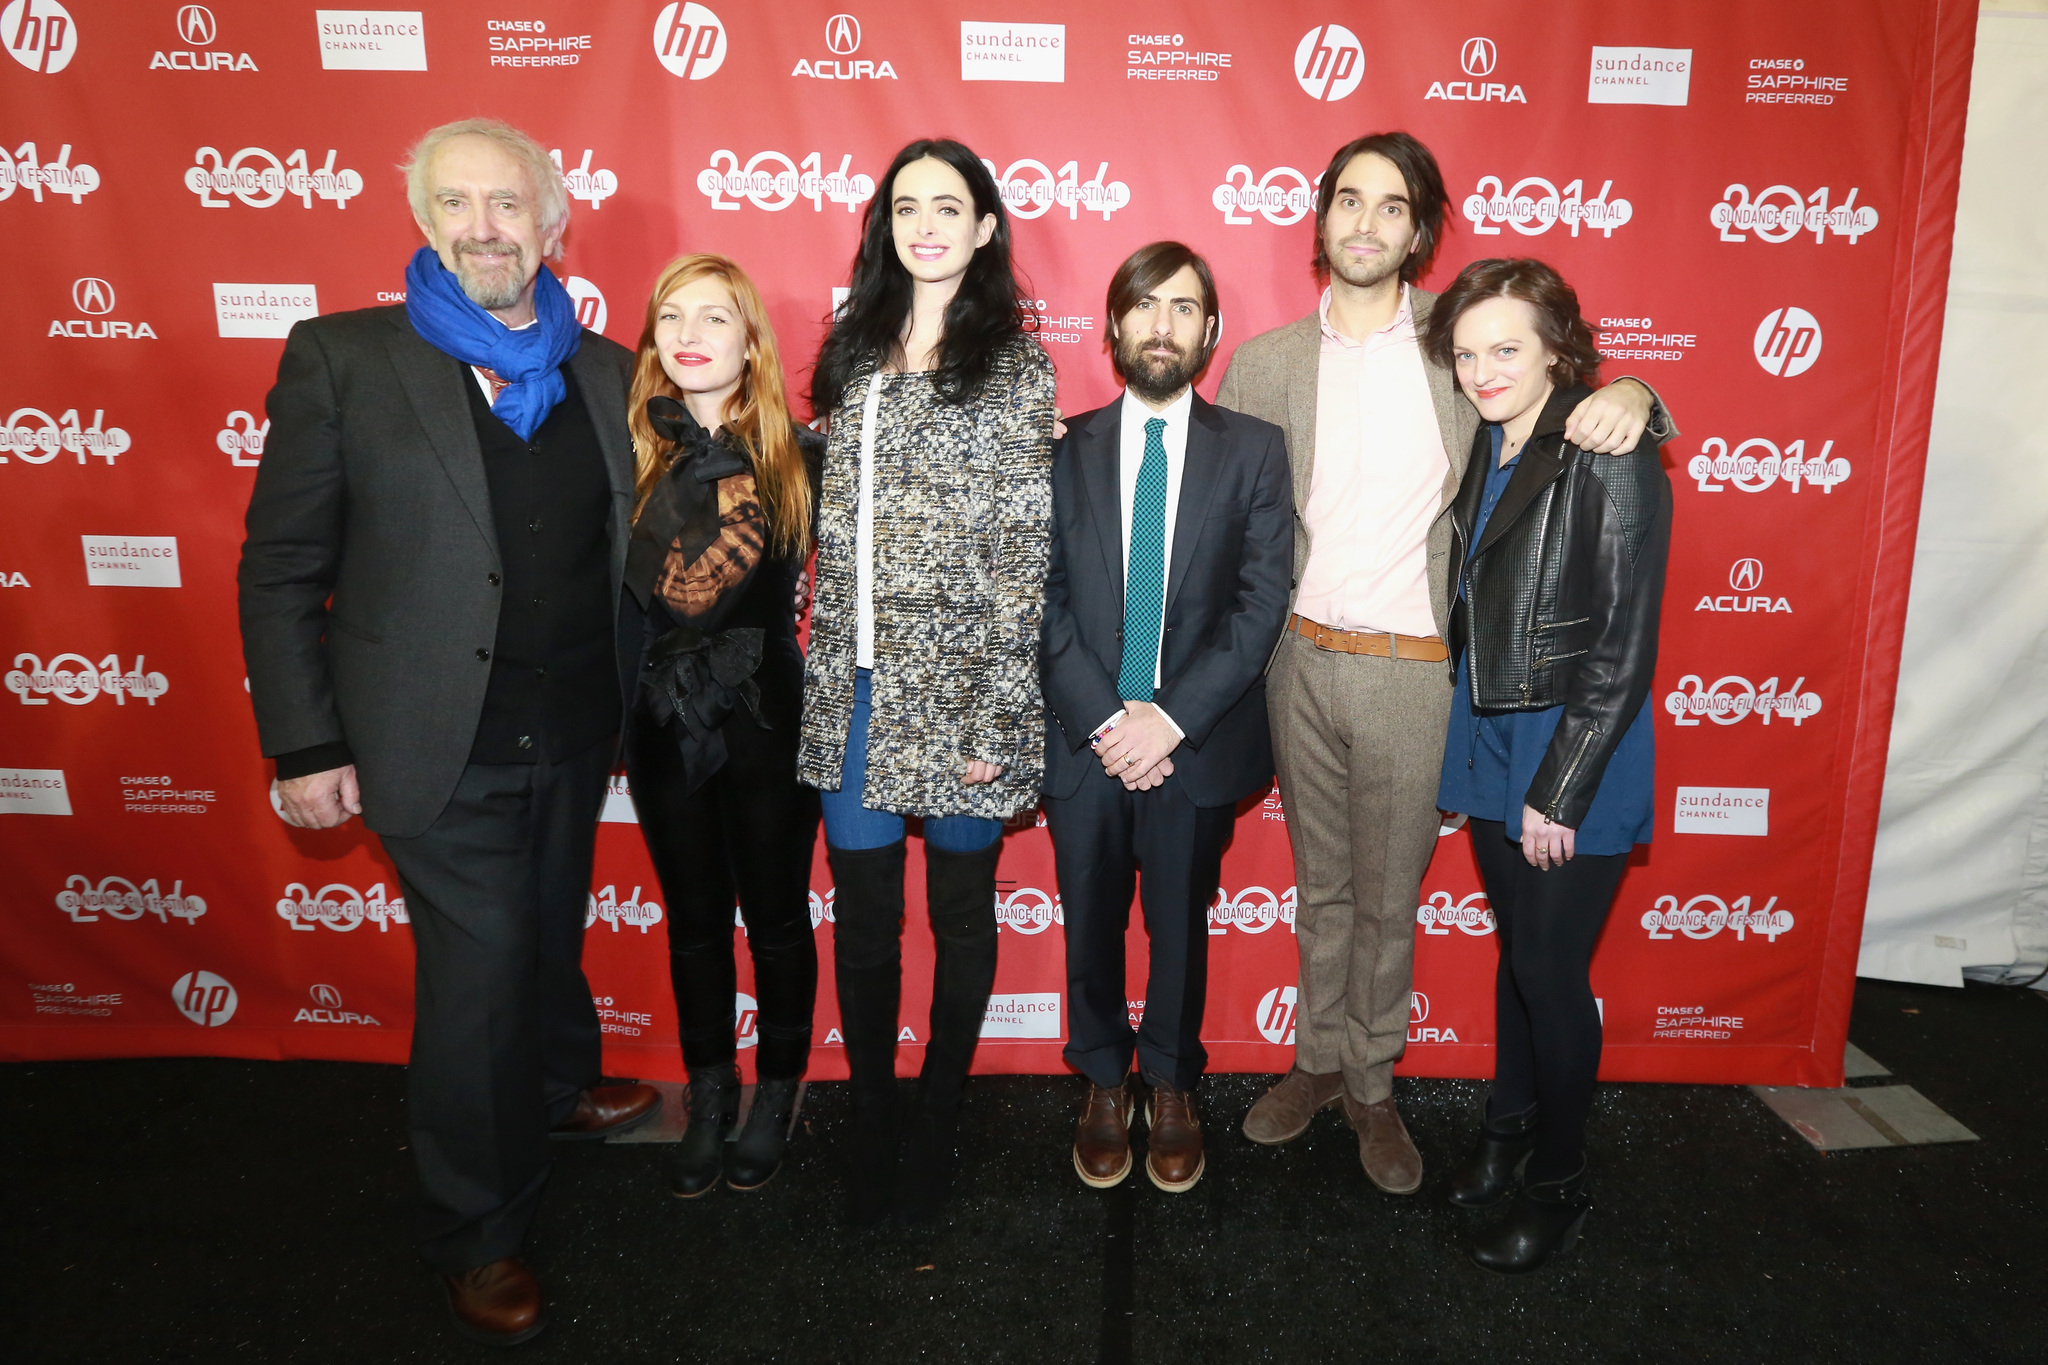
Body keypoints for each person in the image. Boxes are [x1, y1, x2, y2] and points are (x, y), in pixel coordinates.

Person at [237, 118, 659, 1346]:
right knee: (475, 976)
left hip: (575, 729)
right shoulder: (344, 360)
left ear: (552, 224)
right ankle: (478, 1228)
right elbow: (280, 570)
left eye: (508, 205)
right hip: (428, 739)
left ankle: (556, 1087)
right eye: (458, 205)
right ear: (426, 224)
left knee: (542, 924)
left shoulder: (603, 369)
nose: (486, 227)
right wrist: (307, 746)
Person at [1215, 131, 1674, 1196]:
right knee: (1319, 889)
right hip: (1298, 658)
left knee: (1387, 895)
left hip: (1420, 670)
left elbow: (1569, 398)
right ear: (1320, 218)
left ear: (1419, 230)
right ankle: (1315, 1063)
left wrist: (1642, 391)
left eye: (1390, 206)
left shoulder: (1458, 347)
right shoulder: (1263, 363)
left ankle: (1373, 1087)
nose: (1364, 223)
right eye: (1346, 201)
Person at [801, 138, 1056, 1227]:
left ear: (986, 227)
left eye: (949, 207)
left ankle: (940, 1111)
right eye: (907, 206)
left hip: (961, 692)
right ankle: (869, 1114)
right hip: (851, 683)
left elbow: (1024, 551)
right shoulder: (849, 350)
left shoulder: (1015, 363)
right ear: (884, 224)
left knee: (958, 910)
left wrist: (997, 705)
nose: (926, 225)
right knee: (862, 919)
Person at [1426, 258, 1670, 1272]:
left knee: (1547, 971)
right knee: (1517, 961)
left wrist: (1557, 787)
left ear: (1556, 350)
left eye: (1505, 350)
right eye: (1466, 353)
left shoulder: (1603, 449)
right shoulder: (1494, 441)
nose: (1482, 370)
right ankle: (1506, 1132)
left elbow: (1621, 642)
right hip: (1491, 729)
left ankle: (1558, 1183)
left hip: (1573, 743)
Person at [1041, 242, 1291, 1193]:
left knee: (1181, 923)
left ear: (1210, 332)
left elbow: (1260, 602)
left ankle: (1175, 1083)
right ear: (1112, 330)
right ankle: (1105, 1080)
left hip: (1194, 743)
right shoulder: (1063, 448)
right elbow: (1044, 598)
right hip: (1087, 741)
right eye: (1144, 307)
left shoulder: (1255, 449)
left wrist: (1168, 723)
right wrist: (1110, 721)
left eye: (1183, 308)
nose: (1161, 325)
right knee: (1091, 919)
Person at [617, 255, 824, 1199]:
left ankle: (778, 1093)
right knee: (695, 920)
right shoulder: (626, 453)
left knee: (778, 917)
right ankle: (709, 1093)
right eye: (670, 317)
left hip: (767, 716)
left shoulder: (802, 455)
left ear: (751, 340)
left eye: (713, 316)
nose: (688, 334)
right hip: (661, 718)